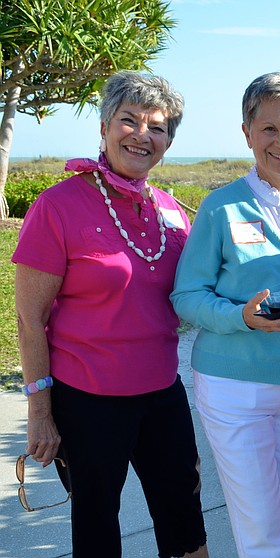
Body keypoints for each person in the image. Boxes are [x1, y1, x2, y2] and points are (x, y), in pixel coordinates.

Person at [13, 72, 208, 557]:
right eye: (129, 121)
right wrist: (40, 412)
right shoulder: (57, 205)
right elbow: (28, 319)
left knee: (185, 518)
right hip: (88, 400)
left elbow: (194, 293)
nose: (142, 135)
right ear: (104, 127)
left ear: (168, 142)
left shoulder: (170, 210)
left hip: (163, 392)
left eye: (158, 127)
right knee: (97, 531)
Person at [170, 72, 280, 558]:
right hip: (234, 388)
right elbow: (186, 295)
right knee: (262, 523)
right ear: (246, 132)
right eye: (268, 129)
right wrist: (241, 317)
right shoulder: (221, 207)